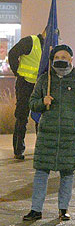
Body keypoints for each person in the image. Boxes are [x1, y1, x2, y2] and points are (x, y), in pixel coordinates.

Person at [23, 45, 75, 222]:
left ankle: (63, 209)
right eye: (57, 56)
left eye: (64, 56)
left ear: (71, 59)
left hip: (71, 135)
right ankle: (36, 209)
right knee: (41, 172)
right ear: (52, 59)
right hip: (48, 134)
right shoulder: (44, 80)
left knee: (67, 173)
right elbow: (32, 103)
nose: (60, 59)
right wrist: (42, 102)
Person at [8, 30, 45, 159]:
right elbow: (12, 53)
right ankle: (18, 150)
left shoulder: (49, 47)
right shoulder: (31, 41)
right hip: (25, 84)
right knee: (22, 117)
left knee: (40, 118)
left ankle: (41, 149)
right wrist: (17, 72)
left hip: (40, 85)